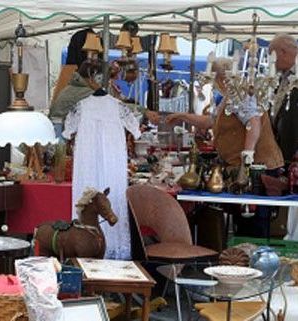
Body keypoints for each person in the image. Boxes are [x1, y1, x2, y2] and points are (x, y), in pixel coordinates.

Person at [166, 57, 284, 238]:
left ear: (220, 78)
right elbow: (210, 121)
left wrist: (247, 157)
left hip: (258, 168)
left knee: (252, 225)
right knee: (244, 223)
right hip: (241, 167)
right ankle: (240, 256)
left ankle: (248, 259)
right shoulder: (227, 98)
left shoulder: (242, 93)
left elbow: (253, 123)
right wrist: (183, 116)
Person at [62, 60, 141, 260]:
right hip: (111, 161)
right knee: (111, 199)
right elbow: (136, 130)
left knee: (88, 199)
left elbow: (67, 132)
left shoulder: (80, 107)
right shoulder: (118, 107)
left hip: (87, 161)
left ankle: (85, 246)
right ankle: (112, 249)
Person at [269, 34, 298, 240]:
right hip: (285, 153)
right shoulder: (283, 77)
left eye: (272, 54)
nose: (272, 60)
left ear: (284, 52)